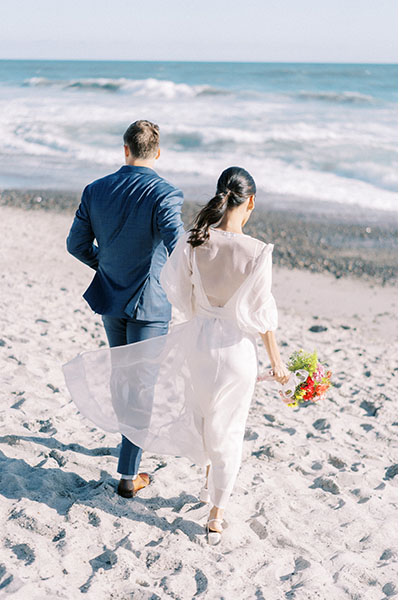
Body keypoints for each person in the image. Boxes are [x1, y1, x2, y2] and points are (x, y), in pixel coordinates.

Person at [64, 167, 291, 543]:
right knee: (228, 429)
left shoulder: (194, 242)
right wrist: (277, 362)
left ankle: (206, 485)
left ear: (220, 196)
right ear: (250, 202)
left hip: (198, 343)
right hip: (235, 350)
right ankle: (216, 512)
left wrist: (202, 316)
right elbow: (262, 315)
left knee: (203, 418)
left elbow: (176, 291)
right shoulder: (257, 252)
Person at [66, 119, 184, 499]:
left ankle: (126, 445)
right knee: (141, 387)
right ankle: (129, 475)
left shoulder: (96, 189)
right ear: (159, 152)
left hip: (111, 296)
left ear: (125, 150)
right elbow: (179, 247)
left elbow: (75, 245)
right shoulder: (165, 194)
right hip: (149, 303)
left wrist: (106, 263)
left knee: (123, 376)